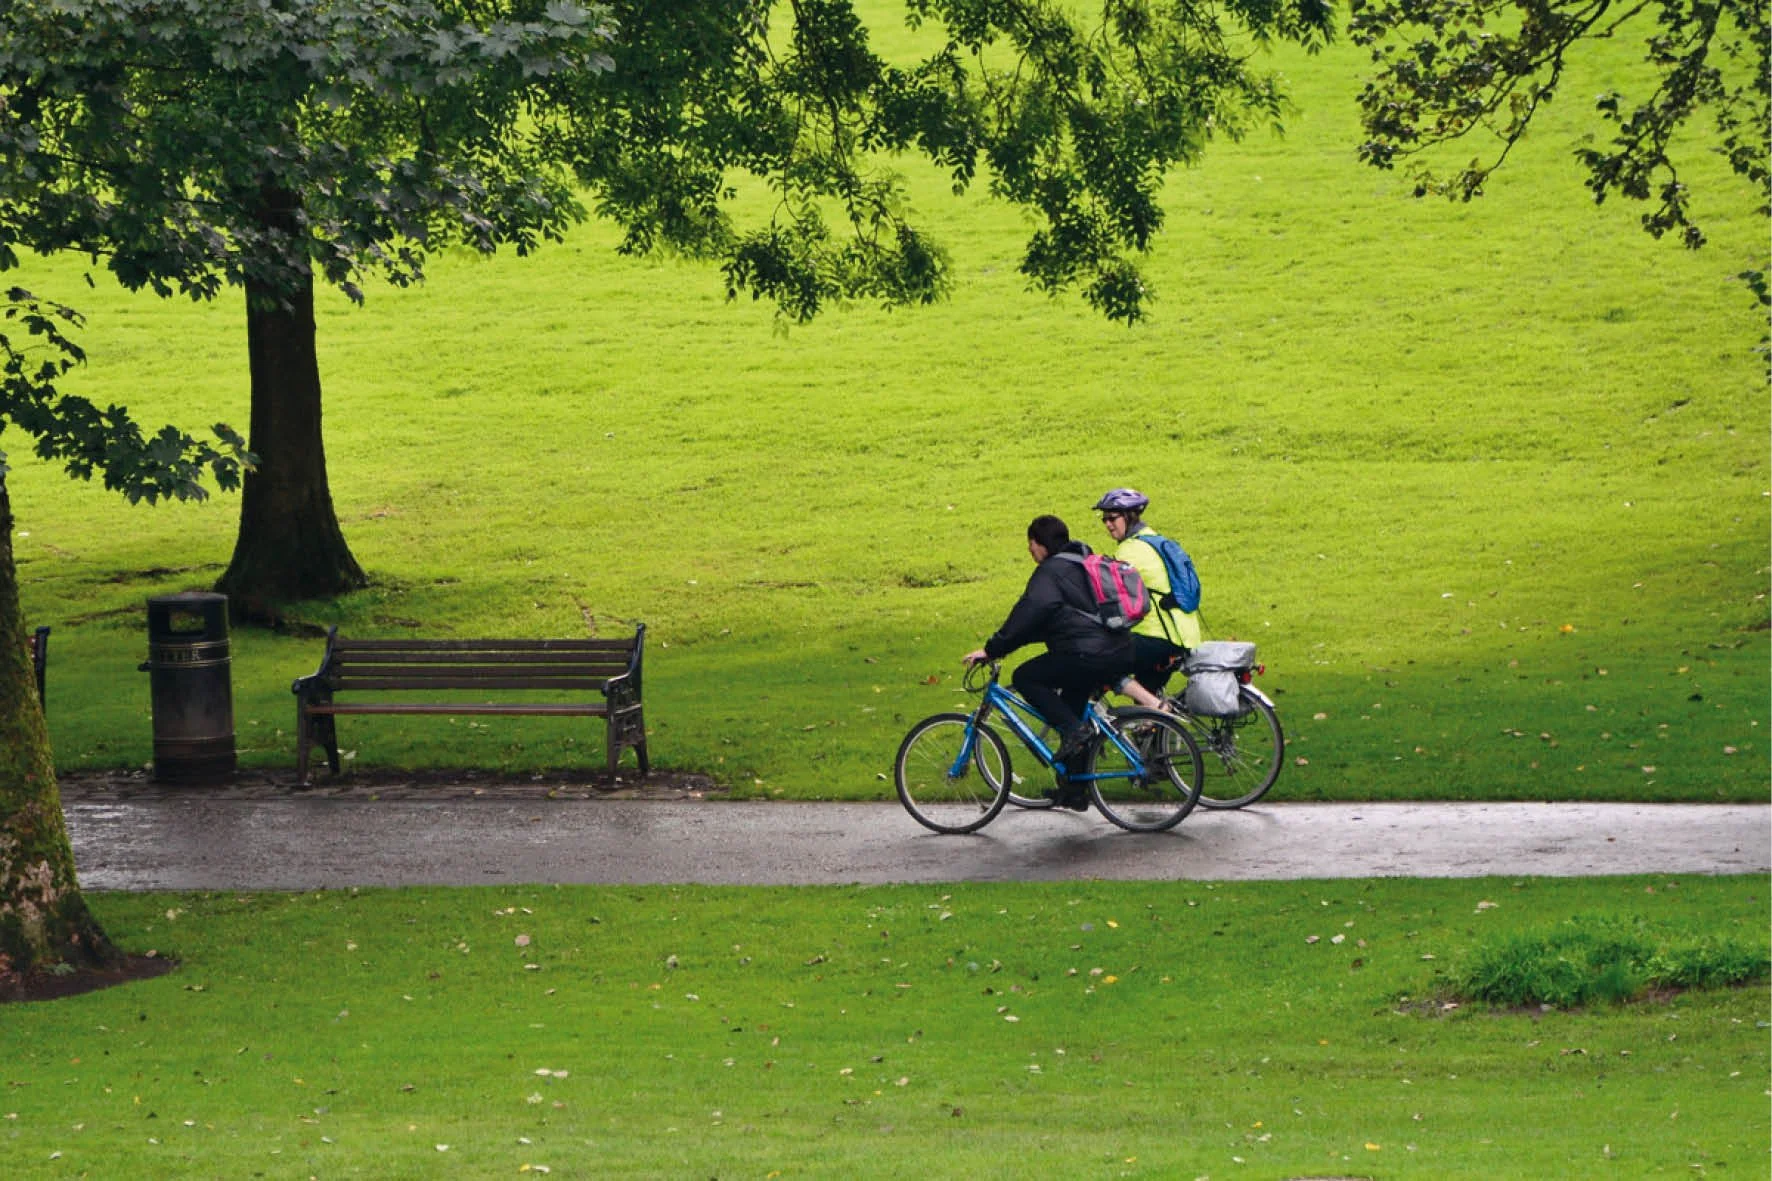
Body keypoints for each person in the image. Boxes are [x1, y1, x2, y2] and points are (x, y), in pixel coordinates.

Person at [963, 514, 1134, 809]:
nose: (1030, 551)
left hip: (1086, 653)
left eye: (1030, 545)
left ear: (1039, 544)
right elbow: (1050, 624)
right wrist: (1002, 648)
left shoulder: (1051, 571)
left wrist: (992, 649)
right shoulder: (1083, 561)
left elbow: (1030, 612)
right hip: (1115, 648)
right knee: (1071, 709)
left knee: (1027, 678)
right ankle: (1075, 791)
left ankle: (1075, 733)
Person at [1092, 488, 1203, 711]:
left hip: (1157, 639)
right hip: (1185, 637)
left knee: (1097, 662)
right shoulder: (1155, 540)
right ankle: (1155, 731)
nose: (1107, 524)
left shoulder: (1130, 551)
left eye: (1112, 518)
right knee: (1145, 709)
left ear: (1130, 516)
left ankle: (1089, 734)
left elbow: (1110, 595)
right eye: (1104, 519)